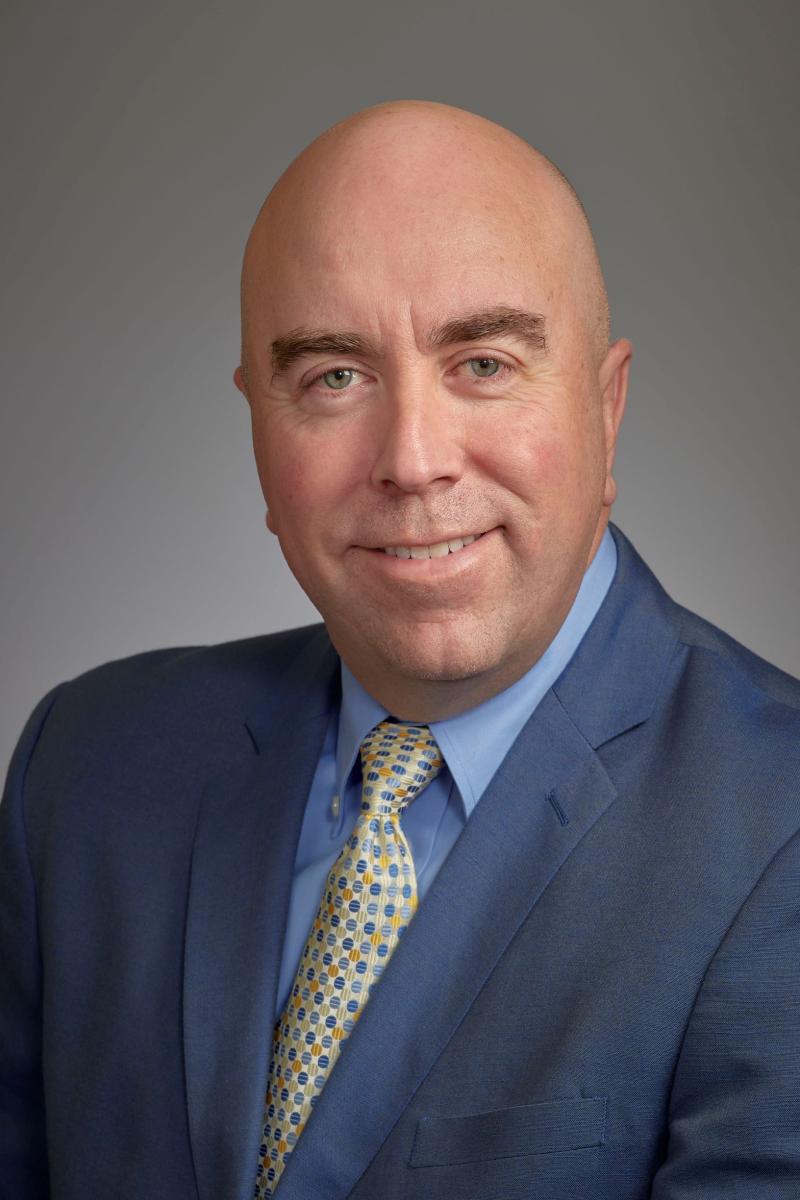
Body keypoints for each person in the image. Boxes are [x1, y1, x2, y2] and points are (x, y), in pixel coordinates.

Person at [1, 100, 799, 1200]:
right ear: (255, 422)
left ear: (604, 409)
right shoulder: (83, 770)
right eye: (333, 377)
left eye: (480, 362)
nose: (412, 461)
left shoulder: (776, 825)